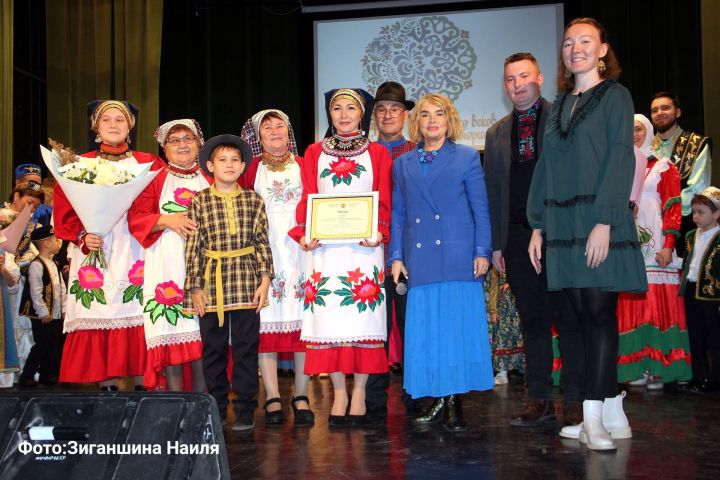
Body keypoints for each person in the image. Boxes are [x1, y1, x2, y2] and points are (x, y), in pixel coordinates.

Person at [527, 18, 647, 450]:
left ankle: (593, 417)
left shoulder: (616, 97)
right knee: (579, 317)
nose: (574, 48)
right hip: (562, 224)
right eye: (567, 43)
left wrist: (604, 220)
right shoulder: (558, 105)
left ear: (602, 49)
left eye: (584, 41)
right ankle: (613, 410)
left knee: (598, 315)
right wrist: (537, 223)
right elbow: (545, 167)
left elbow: (621, 157)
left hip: (599, 219)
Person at [484, 52, 585, 428]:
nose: (517, 84)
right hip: (515, 238)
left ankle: (576, 400)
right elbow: (494, 193)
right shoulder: (495, 133)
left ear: (540, 78)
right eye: (510, 79)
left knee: (570, 320)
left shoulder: (564, 120)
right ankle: (539, 399)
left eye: (523, 76)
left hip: (559, 235)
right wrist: (497, 244)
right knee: (533, 321)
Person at [390, 93, 494, 432]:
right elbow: (399, 216)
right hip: (421, 257)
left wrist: (482, 250)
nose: (432, 120)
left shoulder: (466, 157)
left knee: (454, 331)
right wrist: (396, 256)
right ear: (415, 123)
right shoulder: (402, 164)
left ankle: (453, 403)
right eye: (424, 115)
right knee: (428, 332)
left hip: (458, 254)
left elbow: (481, 208)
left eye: (439, 114)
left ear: (450, 120)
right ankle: (439, 397)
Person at [289, 88, 391, 427]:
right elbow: (307, 197)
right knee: (329, 320)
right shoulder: (314, 151)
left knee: (362, 320)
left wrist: (379, 231)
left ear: (362, 113)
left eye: (351, 108)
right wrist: (305, 234)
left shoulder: (377, 153)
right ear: (329, 114)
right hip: (325, 251)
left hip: (364, 250)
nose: (344, 114)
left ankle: (359, 392)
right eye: (337, 108)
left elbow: (385, 200)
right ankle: (339, 393)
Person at [54, 100, 165, 390]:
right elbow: (64, 211)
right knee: (99, 311)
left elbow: (163, 201)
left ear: (130, 126)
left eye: (120, 119)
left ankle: (144, 388)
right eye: (106, 120)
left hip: (137, 246)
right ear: (96, 127)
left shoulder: (150, 163)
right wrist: (82, 236)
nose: (114, 124)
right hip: (95, 248)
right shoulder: (78, 165)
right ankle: (107, 390)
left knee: (139, 307)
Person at [184, 134, 273, 430]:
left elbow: (262, 242)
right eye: (222, 159)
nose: (230, 164)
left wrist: (264, 280)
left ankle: (246, 406)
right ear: (210, 165)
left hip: (247, 281)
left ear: (243, 165)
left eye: (236, 159)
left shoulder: (253, 199)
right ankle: (218, 405)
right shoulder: (199, 200)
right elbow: (193, 247)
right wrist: (195, 288)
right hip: (212, 284)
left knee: (247, 347)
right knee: (214, 349)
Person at [239, 109, 314, 426]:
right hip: (264, 256)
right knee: (265, 324)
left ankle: (301, 394)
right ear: (258, 136)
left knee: (304, 325)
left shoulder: (305, 165)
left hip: (301, 255)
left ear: (288, 131)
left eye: (279, 125)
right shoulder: (251, 168)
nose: (273, 131)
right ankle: (271, 395)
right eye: (266, 127)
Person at [128, 119, 209, 392]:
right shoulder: (155, 178)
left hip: (209, 263)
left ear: (199, 143)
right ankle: (175, 402)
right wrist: (166, 220)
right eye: (175, 140)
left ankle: (204, 398)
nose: (183, 145)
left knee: (205, 330)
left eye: (188, 138)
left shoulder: (211, 174)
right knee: (173, 328)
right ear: (164, 149)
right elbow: (136, 218)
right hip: (167, 264)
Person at [616, 114, 691, 389]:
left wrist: (669, 245)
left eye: (638, 129)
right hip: (628, 245)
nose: (633, 134)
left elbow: (672, 207)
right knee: (632, 306)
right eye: (629, 130)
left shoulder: (664, 167)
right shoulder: (621, 167)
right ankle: (637, 365)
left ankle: (659, 368)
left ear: (647, 132)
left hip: (656, 246)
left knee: (656, 306)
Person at [365, 81, 417, 420]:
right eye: (381, 109)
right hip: (370, 255)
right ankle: (373, 399)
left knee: (412, 326)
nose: (387, 115)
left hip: (412, 255)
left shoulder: (418, 151)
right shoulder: (363, 154)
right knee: (374, 331)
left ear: (405, 114)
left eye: (394, 109)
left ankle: (416, 394)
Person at [650, 92, 712, 257]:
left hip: (682, 225)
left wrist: (663, 213)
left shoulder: (696, 144)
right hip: (645, 225)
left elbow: (697, 188)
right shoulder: (645, 147)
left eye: (665, 108)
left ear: (677, 112)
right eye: (654, 110)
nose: (659, 113)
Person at [678, 187, 720, 394]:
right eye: (693, 212)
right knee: (695, 336)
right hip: (691, 290)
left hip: (712, 295)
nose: (695, 216)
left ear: (716, 214)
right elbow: (689, 262)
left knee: (714, 338)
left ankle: (715, 380)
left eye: (700, 212)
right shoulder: (690, 236)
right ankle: (699, 376)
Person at [18, 226, 65, 387]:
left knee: (53, 345)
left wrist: (64, 309)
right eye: (55, 239)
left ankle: (48, 374)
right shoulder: (36, 265)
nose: (59, 242)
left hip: (55, 314)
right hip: (42, 316)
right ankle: (27, 376)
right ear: (46, 243)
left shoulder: (54, 263)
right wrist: (43, 312)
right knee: (41, 345)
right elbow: (35, 292)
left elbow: (61, 288)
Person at [484, 267, 525, 384]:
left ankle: (526, 372)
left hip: (519, 307)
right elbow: (493, 288)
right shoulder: (497, 268)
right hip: (503, 311)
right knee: (502, 339)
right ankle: (502, 373)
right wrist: (493, 310)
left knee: (521, 337)